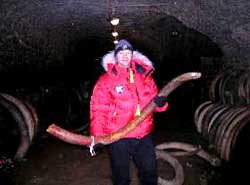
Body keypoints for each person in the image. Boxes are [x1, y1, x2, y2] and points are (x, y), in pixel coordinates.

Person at [89, 39, 169, 185]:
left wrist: (162, 104)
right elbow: (98, 109)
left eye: (128, 53)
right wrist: (97, 137)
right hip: (118, 136)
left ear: (132, 55)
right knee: (121, 178)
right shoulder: (105, 80)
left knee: (150, 173)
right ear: (115, 56)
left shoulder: (145, 77)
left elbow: (156, 105)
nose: (125, 56)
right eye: (121, 53)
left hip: (143, 135)